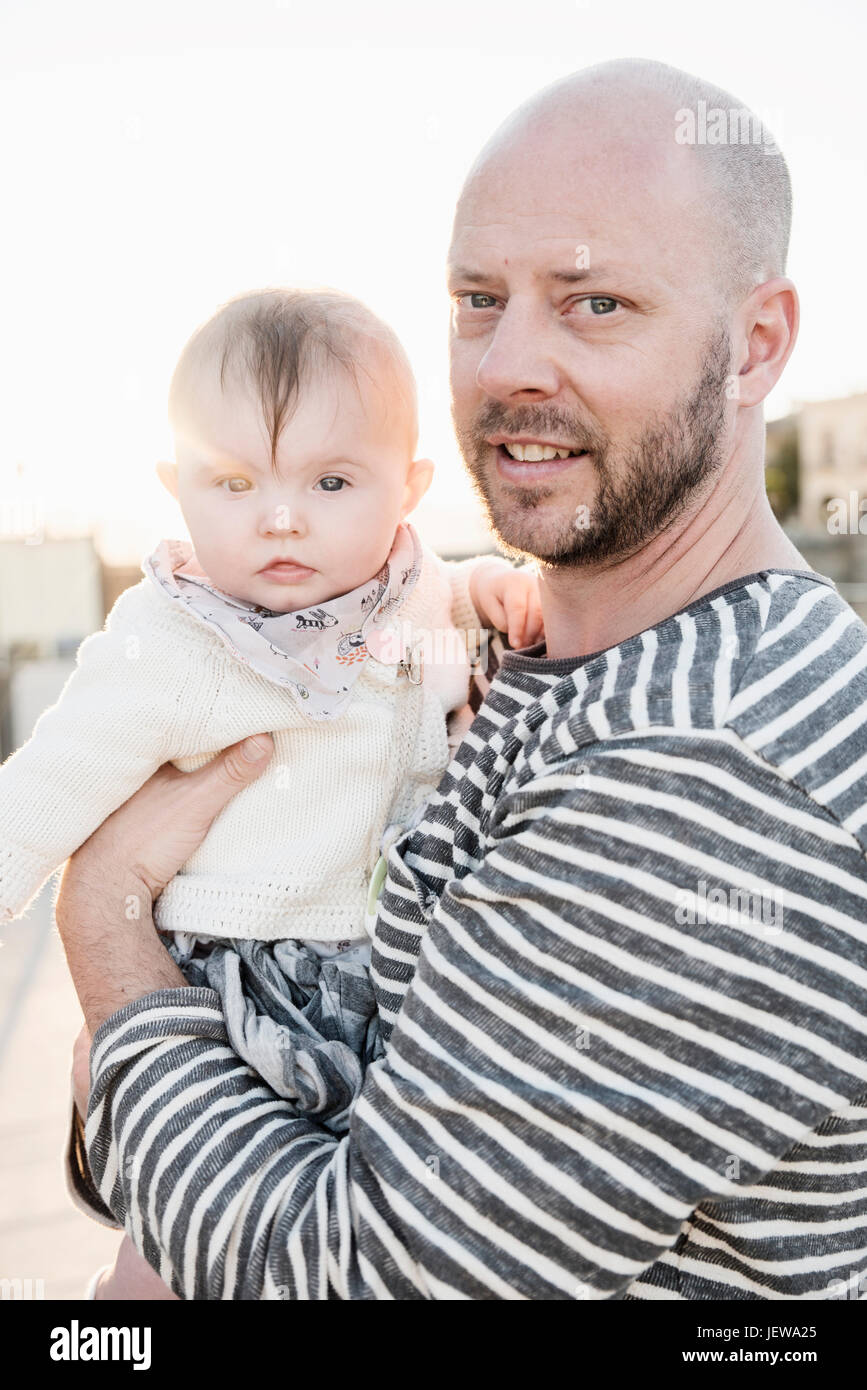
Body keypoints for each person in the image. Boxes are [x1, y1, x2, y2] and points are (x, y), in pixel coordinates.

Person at [59, 59, 867, 1301]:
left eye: (594, 304)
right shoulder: (548, 648)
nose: (508, 366)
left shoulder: (703, 769)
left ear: (756, 345)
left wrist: (111, 945)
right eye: (478, 298)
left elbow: (352, 1281)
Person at [0, 287, 540, 1298]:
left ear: (409, 487)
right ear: (175, 482)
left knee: (343, 1234)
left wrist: (490, 590)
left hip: (387, 990)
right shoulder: (177, 637)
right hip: (228, 983)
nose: (281, 517)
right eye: (235, 481)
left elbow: (451, 598)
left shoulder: (415, 592)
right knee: (176, 1245)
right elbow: (48, 784)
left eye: (333, 480)